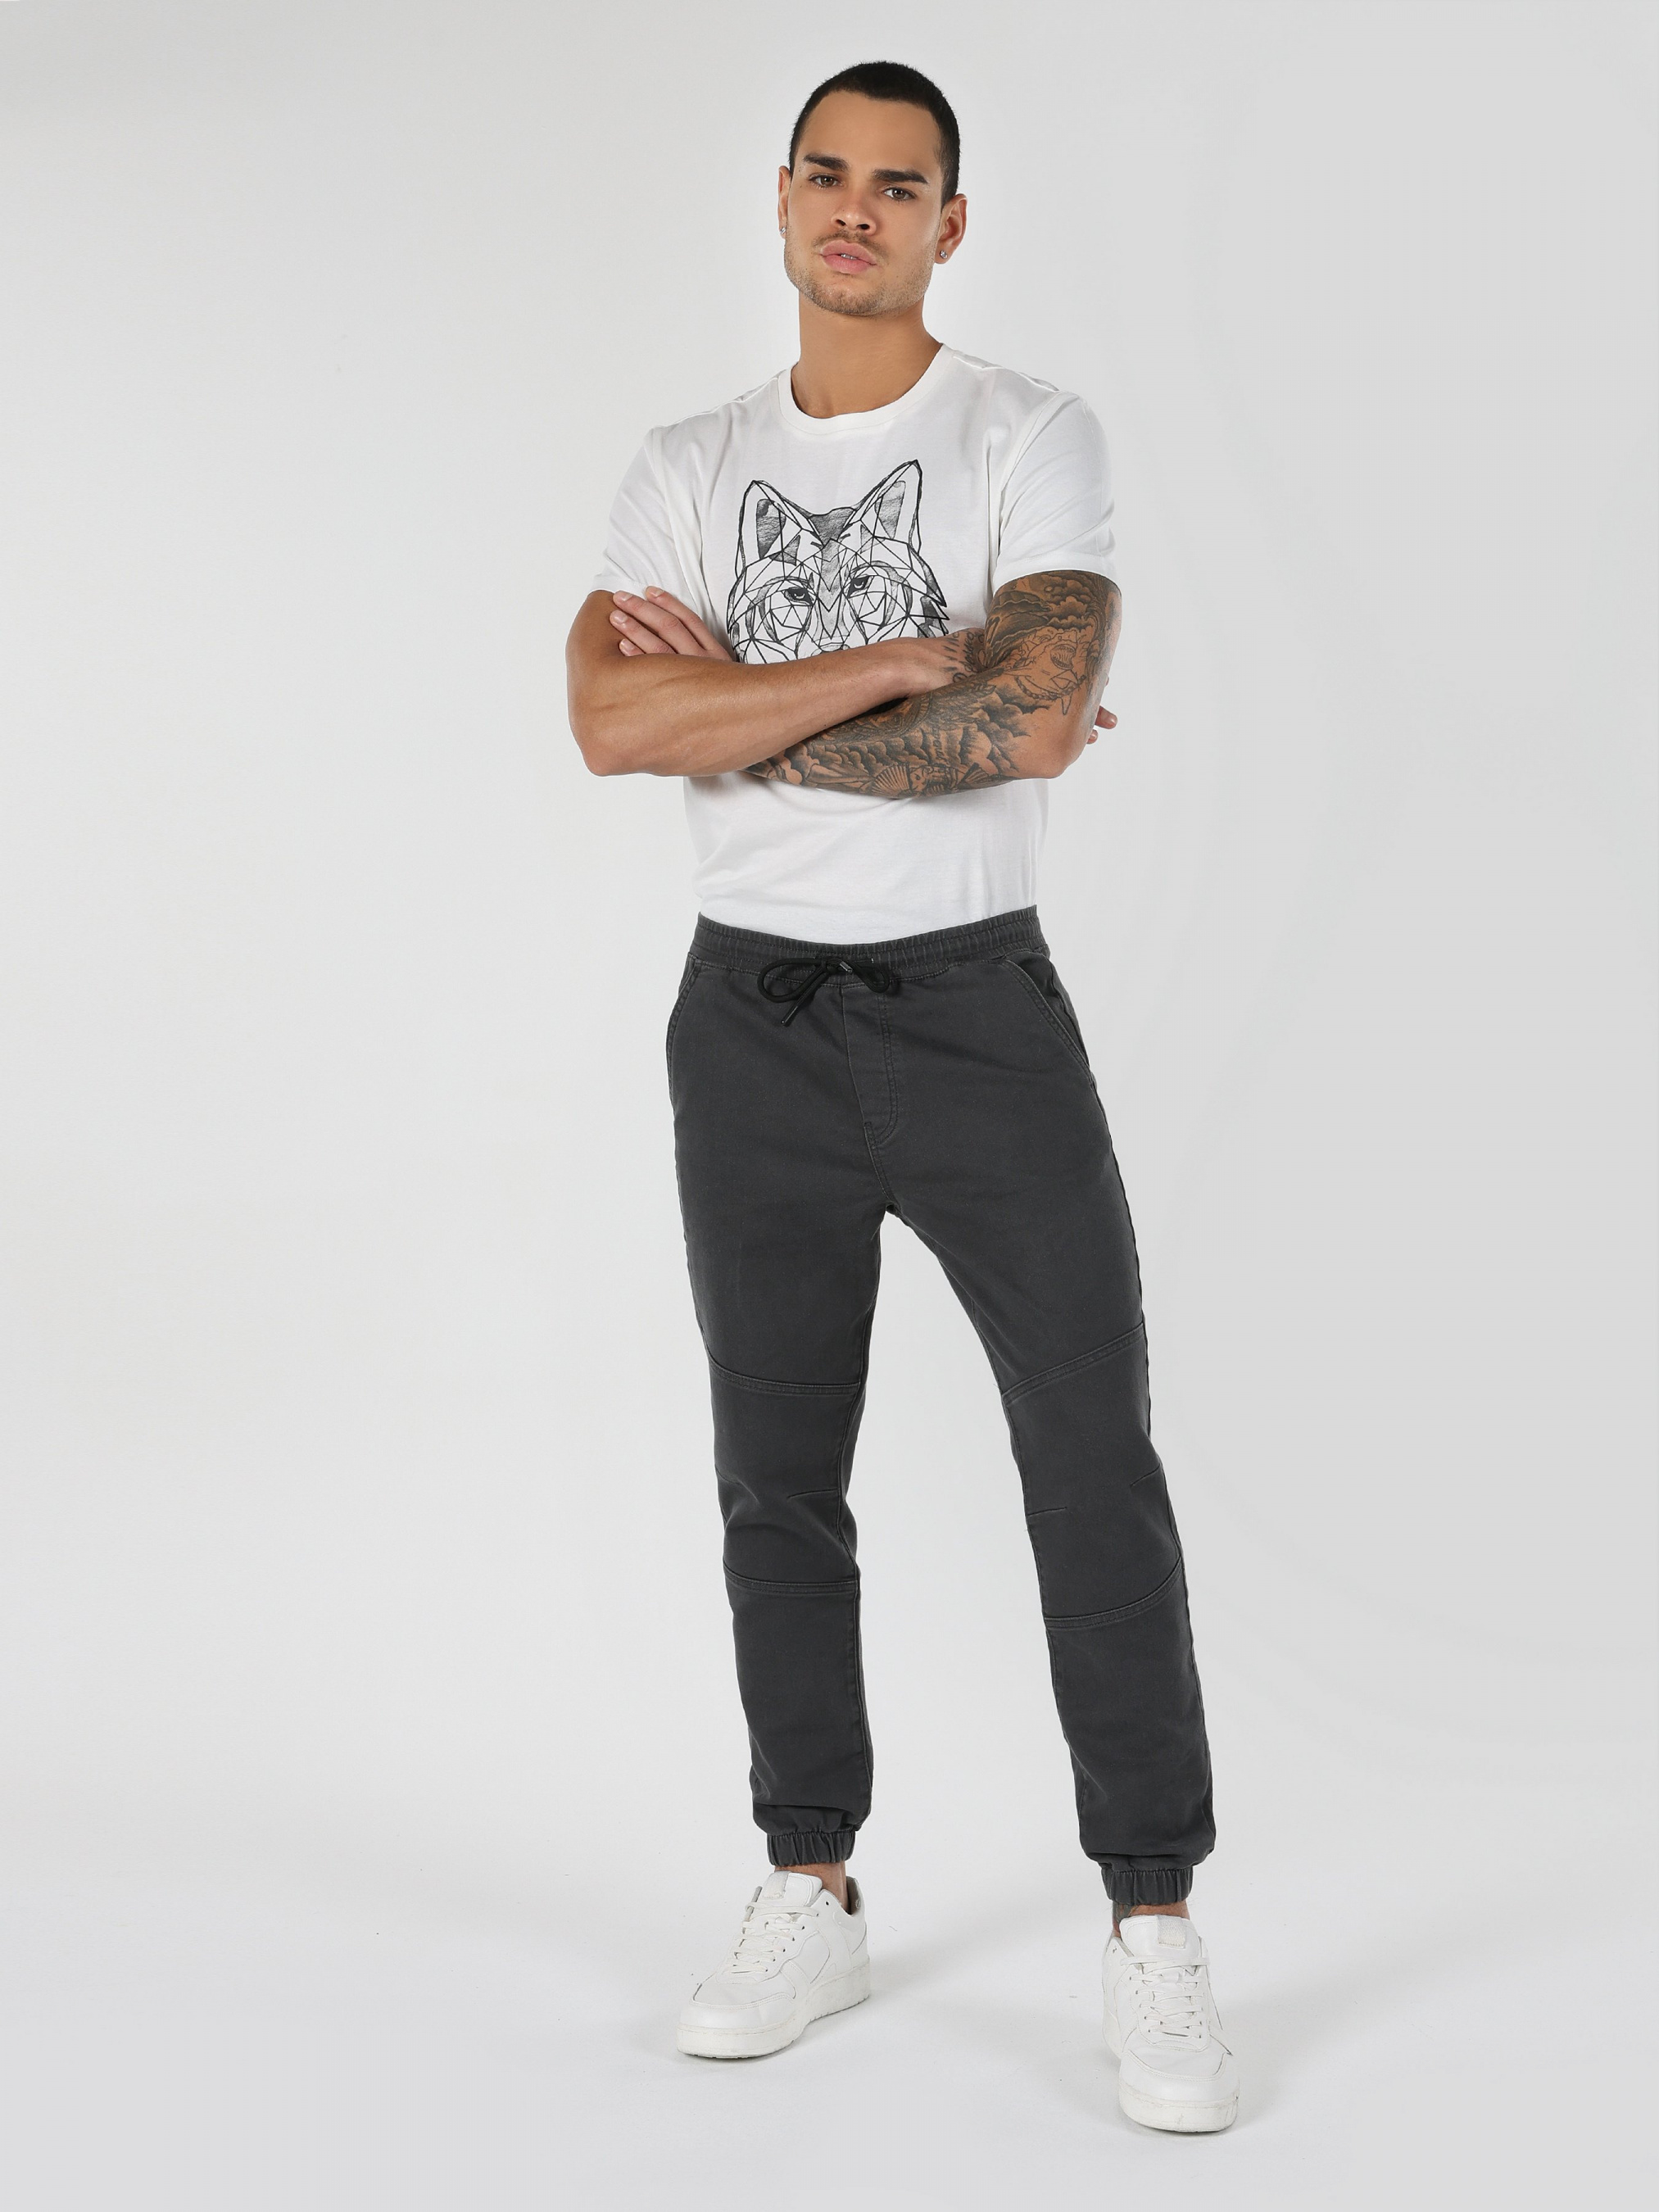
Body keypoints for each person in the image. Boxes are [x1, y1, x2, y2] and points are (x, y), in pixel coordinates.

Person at [566, 60, 1237, 2133]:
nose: (855, 208)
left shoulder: (1028, 432)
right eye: (827, 175)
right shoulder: (685, 463)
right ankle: (810, 1881)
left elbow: (1026, 724)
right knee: (775, 1473)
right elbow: (608, 720)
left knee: (1085, 1452)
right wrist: (887, 665)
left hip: (971, 1013)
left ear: (952, 223)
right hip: (744, 1018)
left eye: (901, 183)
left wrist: (740, 709)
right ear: (779, 200)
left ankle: (1150, 1918)